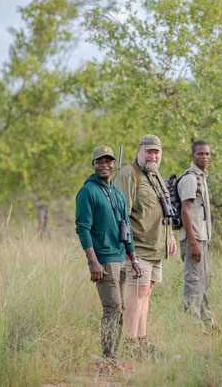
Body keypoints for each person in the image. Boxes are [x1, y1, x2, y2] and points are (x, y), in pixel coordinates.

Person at [75, 145, 141, 372]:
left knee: (120, 308)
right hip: (103, 260)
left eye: (108, 161)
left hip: (120, 257)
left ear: (113, 164)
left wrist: (133, 258)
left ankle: (114, 357)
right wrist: (92, 261)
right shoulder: (88, 192)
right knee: (112, 306)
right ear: (93, 165)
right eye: (99, 161)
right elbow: (83, 228)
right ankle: (105, 359)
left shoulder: (117, 192)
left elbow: (127, 228)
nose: (104, 165)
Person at [114, 134, 177, 354]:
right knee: (137, 294)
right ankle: (130, 344)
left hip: (156, 247)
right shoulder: (128, 175)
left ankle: (142, 339)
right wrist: (129, 252)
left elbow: (162, 208)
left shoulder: (155, 175)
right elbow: (121, 215)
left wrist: (169, 236)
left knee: (146, 293)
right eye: (148, 151)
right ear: (139, 150)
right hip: (138, 248)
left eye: (156, 151)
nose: (153, 155)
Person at [177, 140, 214, 326]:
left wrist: (206, 239)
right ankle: (190, 323)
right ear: (193, 156)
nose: (204, 157)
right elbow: (185, 211)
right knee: (193, 280)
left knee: (203, 281)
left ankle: (207, 321)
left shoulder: (202, 177)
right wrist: (193, 243)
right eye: (200, 154)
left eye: (207, 154)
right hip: (193, 239)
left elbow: (201, 212)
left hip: (201, 238)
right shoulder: (191, 178)